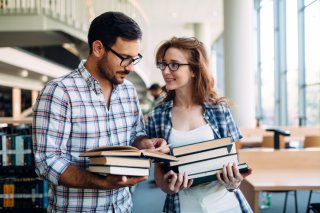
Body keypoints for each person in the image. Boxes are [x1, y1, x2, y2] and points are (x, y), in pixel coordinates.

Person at [32, 11, 168, 212]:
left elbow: (134, 134)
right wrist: (103, 183)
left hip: (122, 207)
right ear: (98, 48)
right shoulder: (59, 92)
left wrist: (144, 143)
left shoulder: (128, 91)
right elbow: (46, 162)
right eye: (125, 58)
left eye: (134, 59)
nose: (130, 67)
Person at [146, 37, 253, 213]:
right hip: (183, 207)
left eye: (174, 65)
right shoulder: (158, 115)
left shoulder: (219, 110)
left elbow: (232, 162)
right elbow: (158, 169)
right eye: (163, 64)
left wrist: (234, 182)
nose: (165, 71)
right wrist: (167, 187)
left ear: (194, 70)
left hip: (226, 206)